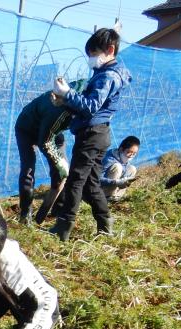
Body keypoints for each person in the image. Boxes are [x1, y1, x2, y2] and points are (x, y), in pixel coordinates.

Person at [49, 28, 131, 241]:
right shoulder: (104, 74)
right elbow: (87, 107)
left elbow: (91, 106)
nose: (91, 59)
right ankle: (105, 225)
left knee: (76, 180)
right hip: (98, 133)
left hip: (92, 135)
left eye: (94, 53)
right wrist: (65, 101)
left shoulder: (108, 76)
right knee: (91, 184)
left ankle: (63, 227)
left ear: (109, 50)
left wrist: (68, 93)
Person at [14, 88, 73, 225]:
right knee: (28, 169)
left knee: (63, 171)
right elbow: (44, 142)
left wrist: (60, 167)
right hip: (26, 128)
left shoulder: (85, 101)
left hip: (52, 130)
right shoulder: (58, 108)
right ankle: (25, 213)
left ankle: (57, 210)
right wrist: (59, 163)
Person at [101, 135, 141, 202]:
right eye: (129, 152)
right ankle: (107, 197)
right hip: (101, 189)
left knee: (132, 168)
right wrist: (116, 182)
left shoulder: (124, 159)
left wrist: (125, 181)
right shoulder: (109, 160)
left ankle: (117, 196)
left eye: (134, 154)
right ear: (121, 149)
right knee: (117, 166)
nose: (131, 156)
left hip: (114, 187)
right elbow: (96, 178)